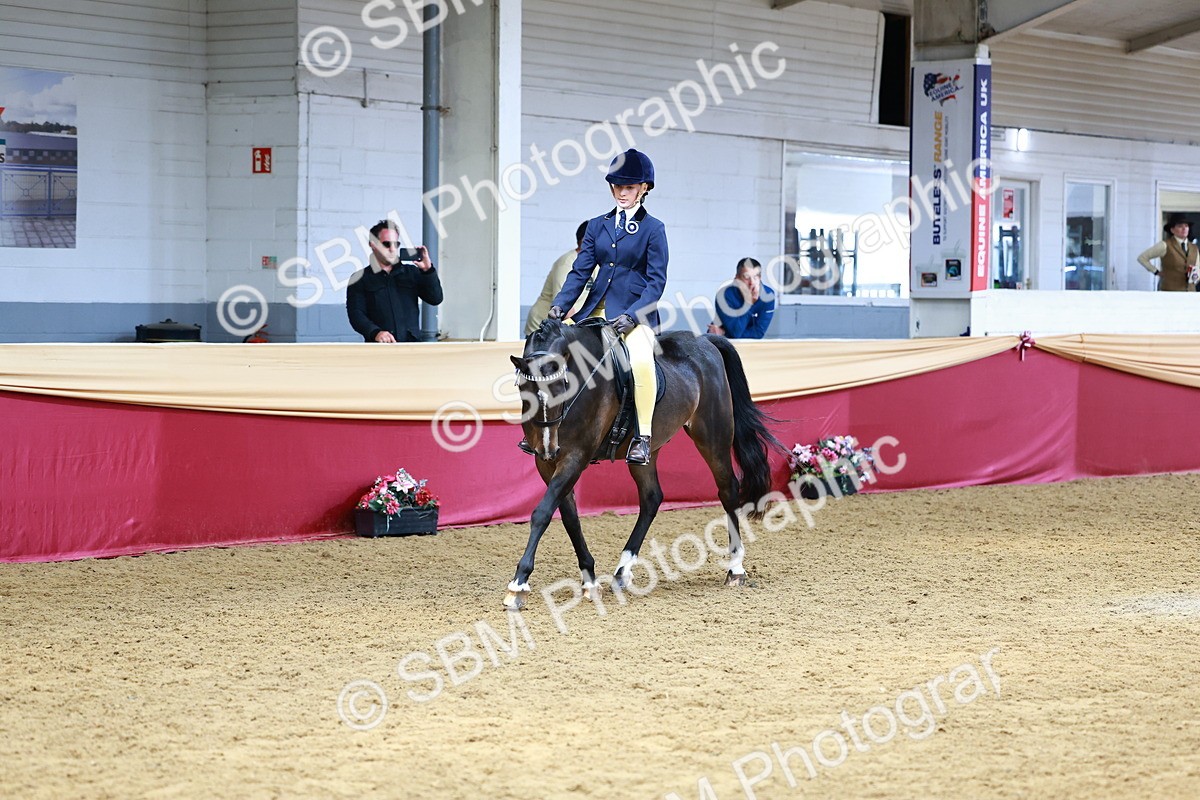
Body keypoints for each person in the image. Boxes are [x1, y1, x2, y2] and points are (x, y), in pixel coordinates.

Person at [528, 148, 668, 465]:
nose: (622, 192)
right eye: (617, 187)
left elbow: (656, 282)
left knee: (642, 361)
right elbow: (580, 272)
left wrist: (633, 317)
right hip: (594, 312)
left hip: (635, 314)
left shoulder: (654, 229)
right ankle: (546, 433)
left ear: (644, 188)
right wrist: (559, 306)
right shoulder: (596, 226)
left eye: (629, 187)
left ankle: (643, 437)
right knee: (552, 358)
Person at [346, 220, 444, 342]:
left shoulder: (411, 273)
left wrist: (428, 270)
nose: (392, 249)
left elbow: (435, 299)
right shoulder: (359, 279)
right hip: (379, 349)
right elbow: (356, 315)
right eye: (387, 244)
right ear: (373, 245)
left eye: (396, 244)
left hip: (411, 347)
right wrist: (375, 332)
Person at [524, 221, 598, 336]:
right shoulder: (567, 263)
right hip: (543, 328)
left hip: (569, 327)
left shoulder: (597, 264)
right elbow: (564, 308)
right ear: (585, 241)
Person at [707, 257, 776, 338]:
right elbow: (736, 333)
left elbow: (758, 334)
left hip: (727, 337)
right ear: (737, 279)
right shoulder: (724, 296)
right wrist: (748, 303)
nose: (752, 283)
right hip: (722, 342)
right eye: (746, 277)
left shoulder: (768, 296)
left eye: (756, 277)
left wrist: (725, 333)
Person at [1137, 212, 1199, 292]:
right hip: (1169, 291)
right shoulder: (1165, 245)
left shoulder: (1194, 248)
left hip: (1190, 292)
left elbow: (1198, 268)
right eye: (1180, 226)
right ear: (1172, 230)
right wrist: (1156, 272)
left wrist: (1195, 278)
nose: (1184, 229)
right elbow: (1142, 258)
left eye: (1186, 226)